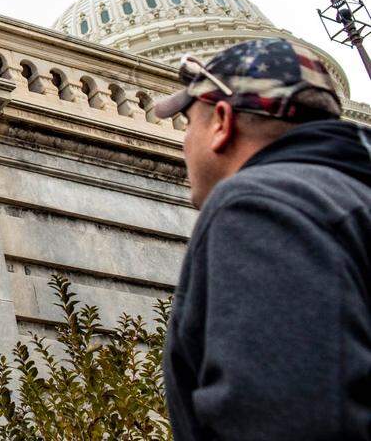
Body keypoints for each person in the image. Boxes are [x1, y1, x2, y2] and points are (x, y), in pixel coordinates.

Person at [154, 38, 371, 441]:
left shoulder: (259, 205)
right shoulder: (353, 198)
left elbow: (283, 415)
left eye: (188, 123)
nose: (184, 142)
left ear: (221, 122)